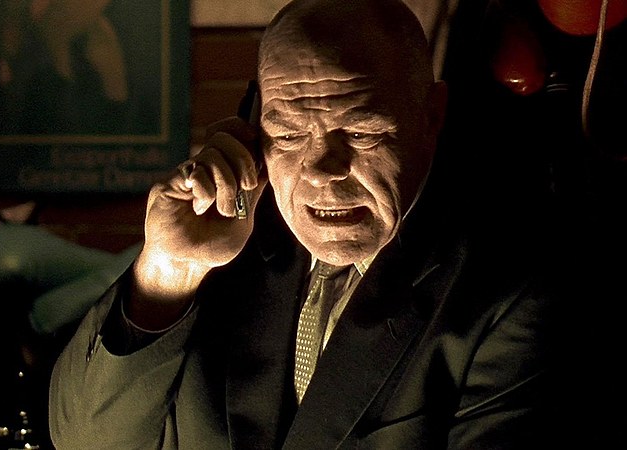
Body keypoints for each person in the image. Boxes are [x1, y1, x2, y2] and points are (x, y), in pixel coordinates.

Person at [48, 0, 566, 448]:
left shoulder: (513, 292)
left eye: (359, 133)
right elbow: (87, 441)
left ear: (431, 114)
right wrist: (168, 270)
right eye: (289, 136)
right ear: (255, 125)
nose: (320, 170)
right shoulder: (225, 245)